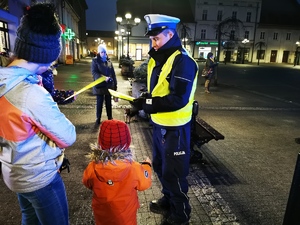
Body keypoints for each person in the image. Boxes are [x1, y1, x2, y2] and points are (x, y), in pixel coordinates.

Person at [0, 3, 76, 225]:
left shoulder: (6, 80)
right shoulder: (30, 93)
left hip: (14, 171)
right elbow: (68, 135)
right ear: (45, 54)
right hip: (38, 177)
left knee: (30, 218)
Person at [131, 14, 198, 225]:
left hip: (176, 128)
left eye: (156, 38)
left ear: (170, 34)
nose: (153, 42)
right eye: (151, 39)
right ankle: (169, 200)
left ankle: (181, 214)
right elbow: (158, 91)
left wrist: (148, 105)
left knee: (174, 173)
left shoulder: (183, 61)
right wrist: (144, 100)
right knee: (160, 166)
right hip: (161, 124)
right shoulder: (161, 57)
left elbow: (178, 99)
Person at [82, 119, 152, 225]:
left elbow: (87, 182)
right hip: (126, 217)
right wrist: (147, 165)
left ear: (100, 141)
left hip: (102, 216)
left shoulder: (93, 167)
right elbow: (145, 184)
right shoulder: (134, 168)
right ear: (127, 142)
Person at [91, 44, 117, 126]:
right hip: (99, 86)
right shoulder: (95, 61)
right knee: (99, 103)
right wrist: (103, 78)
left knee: (109, 103)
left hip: (109, 86)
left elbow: (113, 74)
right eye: (102, 52)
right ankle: (98, 118)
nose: (103, 54)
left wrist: (115, 85)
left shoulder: (109, 61)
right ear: (99, 52)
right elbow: (94, 72)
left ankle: (110, 117)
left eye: (105, 52)